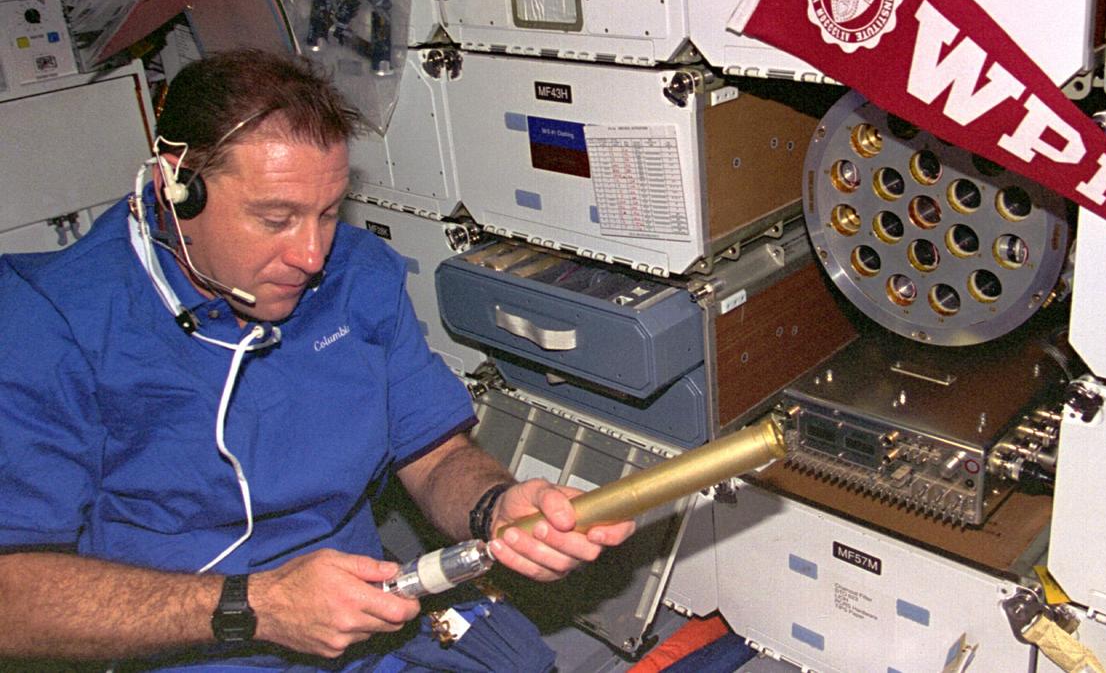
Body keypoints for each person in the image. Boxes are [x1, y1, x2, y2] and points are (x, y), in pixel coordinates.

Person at [0, 49, 634, 668]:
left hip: (366, 625)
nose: (311, 256)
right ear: (177, 189)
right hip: (179, 642)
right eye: (277, 218)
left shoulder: (357, 276)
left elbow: (434, 455)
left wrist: (494, 507)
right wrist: (255, 607)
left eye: (328, 213)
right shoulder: (47, 322)